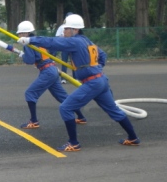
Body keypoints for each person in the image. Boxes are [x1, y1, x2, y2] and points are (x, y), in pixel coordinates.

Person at [17, 14, 140, 151]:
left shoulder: (75, 41)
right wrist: (96, 68)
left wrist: (29, 40)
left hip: (92, 83)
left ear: (75, 30)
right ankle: (133, 137)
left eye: (66, 29)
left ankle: (73, 143)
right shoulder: (87, 41)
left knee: (65, 108)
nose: (63, 32)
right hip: (100, 80)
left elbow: (52, 42)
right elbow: (103, 55)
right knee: (114, 111)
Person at [15, 21, 86, 129]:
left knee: (30, 93)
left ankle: (34, 121)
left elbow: (30, 60)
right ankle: (81, 117)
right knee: (62, 97)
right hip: (51, 69)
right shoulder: (37, 41)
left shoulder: (28, 44)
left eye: (20, 33)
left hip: (47, 71)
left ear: (26, 33)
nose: (19, 35)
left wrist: (22, 55)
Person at [55, 12, 75, 84]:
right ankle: (63, 78)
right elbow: (57, 37)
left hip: (72, 47)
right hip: (64, 47)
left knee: (74, 62)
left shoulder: (74, 28)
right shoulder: (62, 27)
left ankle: (75, 78)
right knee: (64, 62)